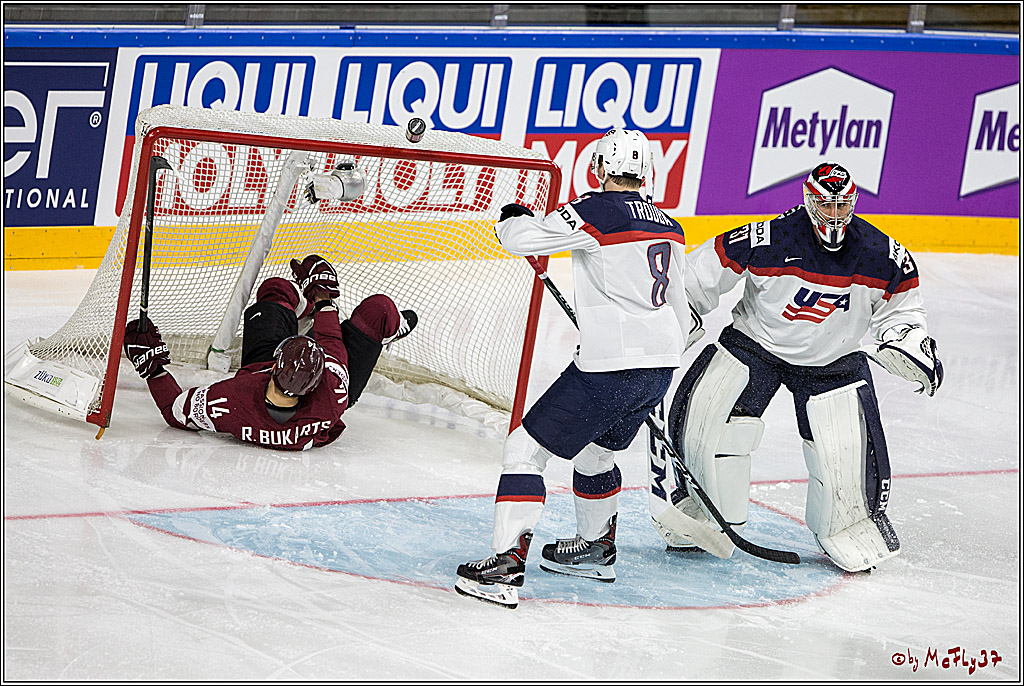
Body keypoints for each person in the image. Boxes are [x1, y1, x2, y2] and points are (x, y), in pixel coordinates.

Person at [658, 161, 943, 572]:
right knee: (713, 428)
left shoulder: (881, 253)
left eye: (842, 205)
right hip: (757, 346)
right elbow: (700, 276)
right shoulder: (767, 237)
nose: (833, 214)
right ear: (808, 200)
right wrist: (675, 320)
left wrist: (906, 339)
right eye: (825, 204)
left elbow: (903, 307)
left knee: (844, 462)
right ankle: (706, 512)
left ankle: (847, 527)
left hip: (834, 360)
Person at [454, 129, 696, 609]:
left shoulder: (596, 210)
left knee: (524, 450)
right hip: (661, 365)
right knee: (594, 455)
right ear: (646, 170)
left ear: (600, 168)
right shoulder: (671, 224)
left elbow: (523, 240)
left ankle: (504, 566)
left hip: (610, 368)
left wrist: (512, 219)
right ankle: (595, 548)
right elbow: (682, 310)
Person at [122, 254, 417, 451]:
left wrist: (152, 369)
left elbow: (175, 411)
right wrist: (322, 296)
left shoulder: (233, 396)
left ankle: (301, 308)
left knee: (276, 289)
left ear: (276, 365)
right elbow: (329, 338)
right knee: (379, 311)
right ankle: (390, 328)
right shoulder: (333, 390)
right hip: (327, 385)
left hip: (263, 374)